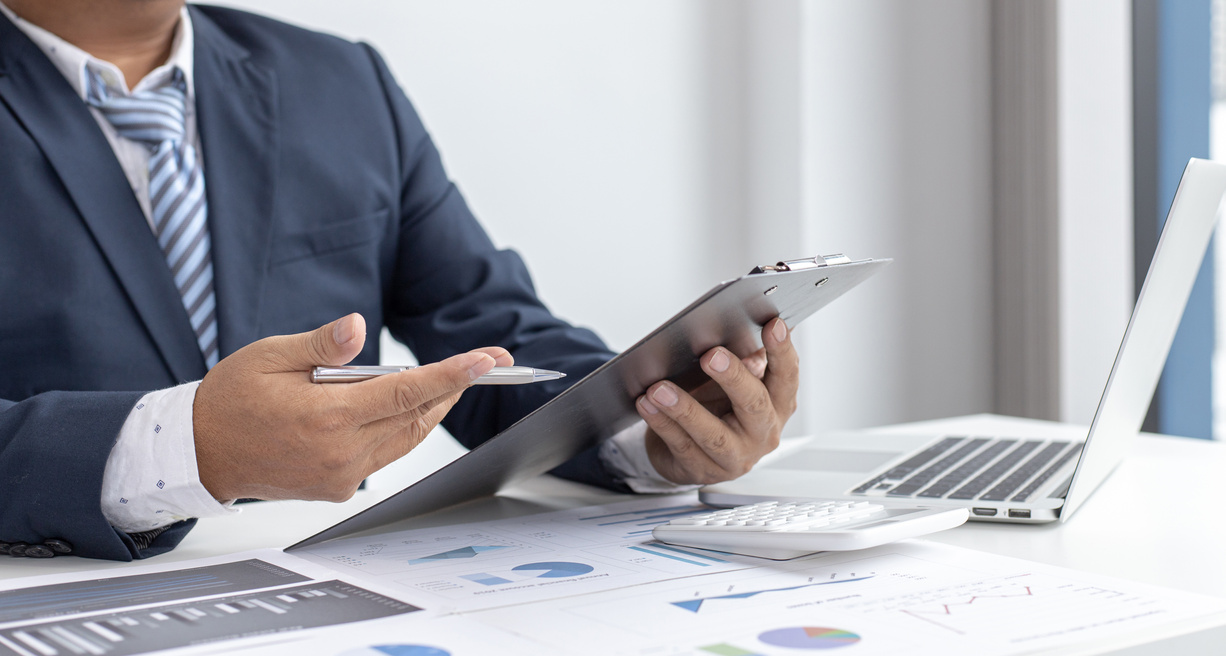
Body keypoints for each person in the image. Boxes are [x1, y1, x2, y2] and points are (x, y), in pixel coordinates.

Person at [0, 0, 799, 561]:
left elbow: (490, 329)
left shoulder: (342, 83)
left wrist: (649, 428)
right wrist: (191, 448)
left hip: (326, 583)